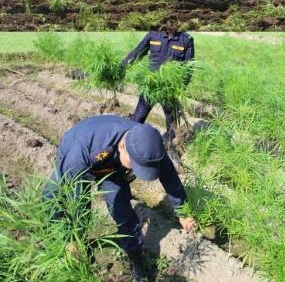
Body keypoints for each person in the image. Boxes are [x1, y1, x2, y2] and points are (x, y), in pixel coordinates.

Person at [43, 115, 196, 282]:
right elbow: (76, 201)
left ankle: (135, 255)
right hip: (79, 155)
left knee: (123, 212)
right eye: (135, 165)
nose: (137, 171)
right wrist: (74, 238)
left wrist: (183, 211)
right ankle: (69, 243)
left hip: (112, 166)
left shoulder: (149, 147)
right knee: (55, 199)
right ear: (123, 146)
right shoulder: (80, 154)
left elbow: (170, 177)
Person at [121, 26, 194, 164]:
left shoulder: (186, 39)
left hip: (169, 89)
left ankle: (172, 150)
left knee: (171, 122)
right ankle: (128, 147)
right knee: (138, 117)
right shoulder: (153, 35)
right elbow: (137, 53)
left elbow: (188, 67)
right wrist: (121, 68)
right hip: (151, 87)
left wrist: (179, 88)